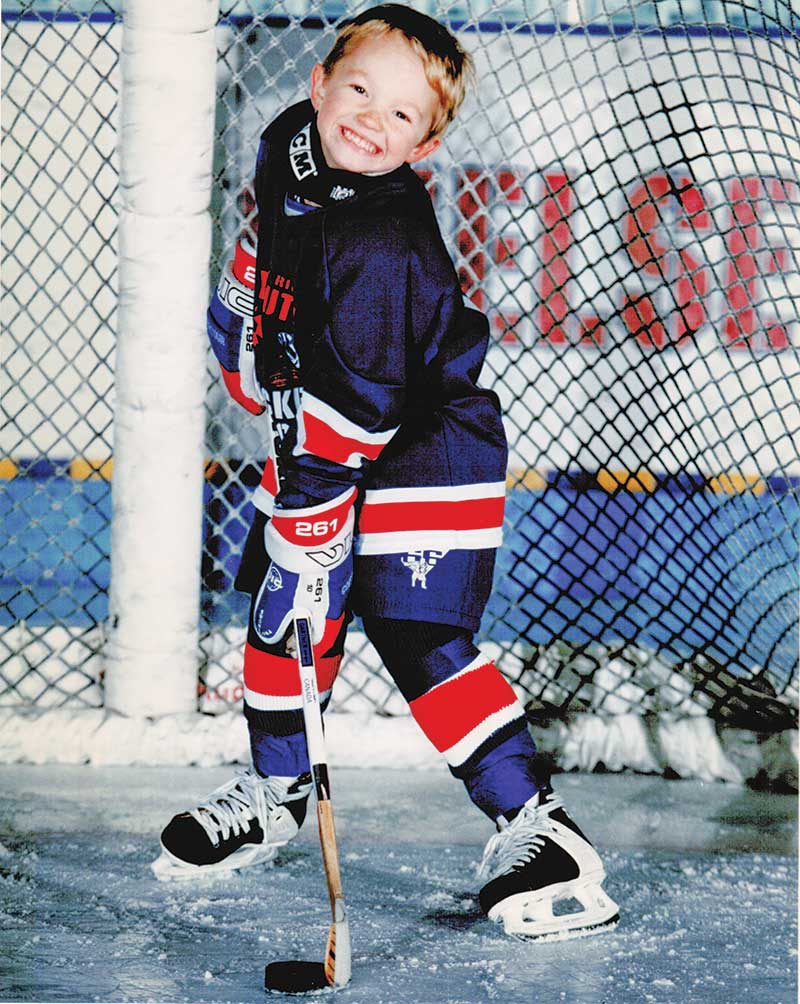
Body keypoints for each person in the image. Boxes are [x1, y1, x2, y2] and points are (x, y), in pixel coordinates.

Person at [152, 3, 618, 941]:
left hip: (425, 447)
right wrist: (252, 290)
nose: (370, 119)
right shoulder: (294, 146)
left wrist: (314, 517)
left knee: (418, 635)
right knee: (285, 616)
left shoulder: (382, 247)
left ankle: (539, 824)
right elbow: (274, 235)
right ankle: (279, 790)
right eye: (357, 89)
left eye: (402, 115)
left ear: (429, 143)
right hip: (333, 435)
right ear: (318, 85)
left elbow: (362, 402)